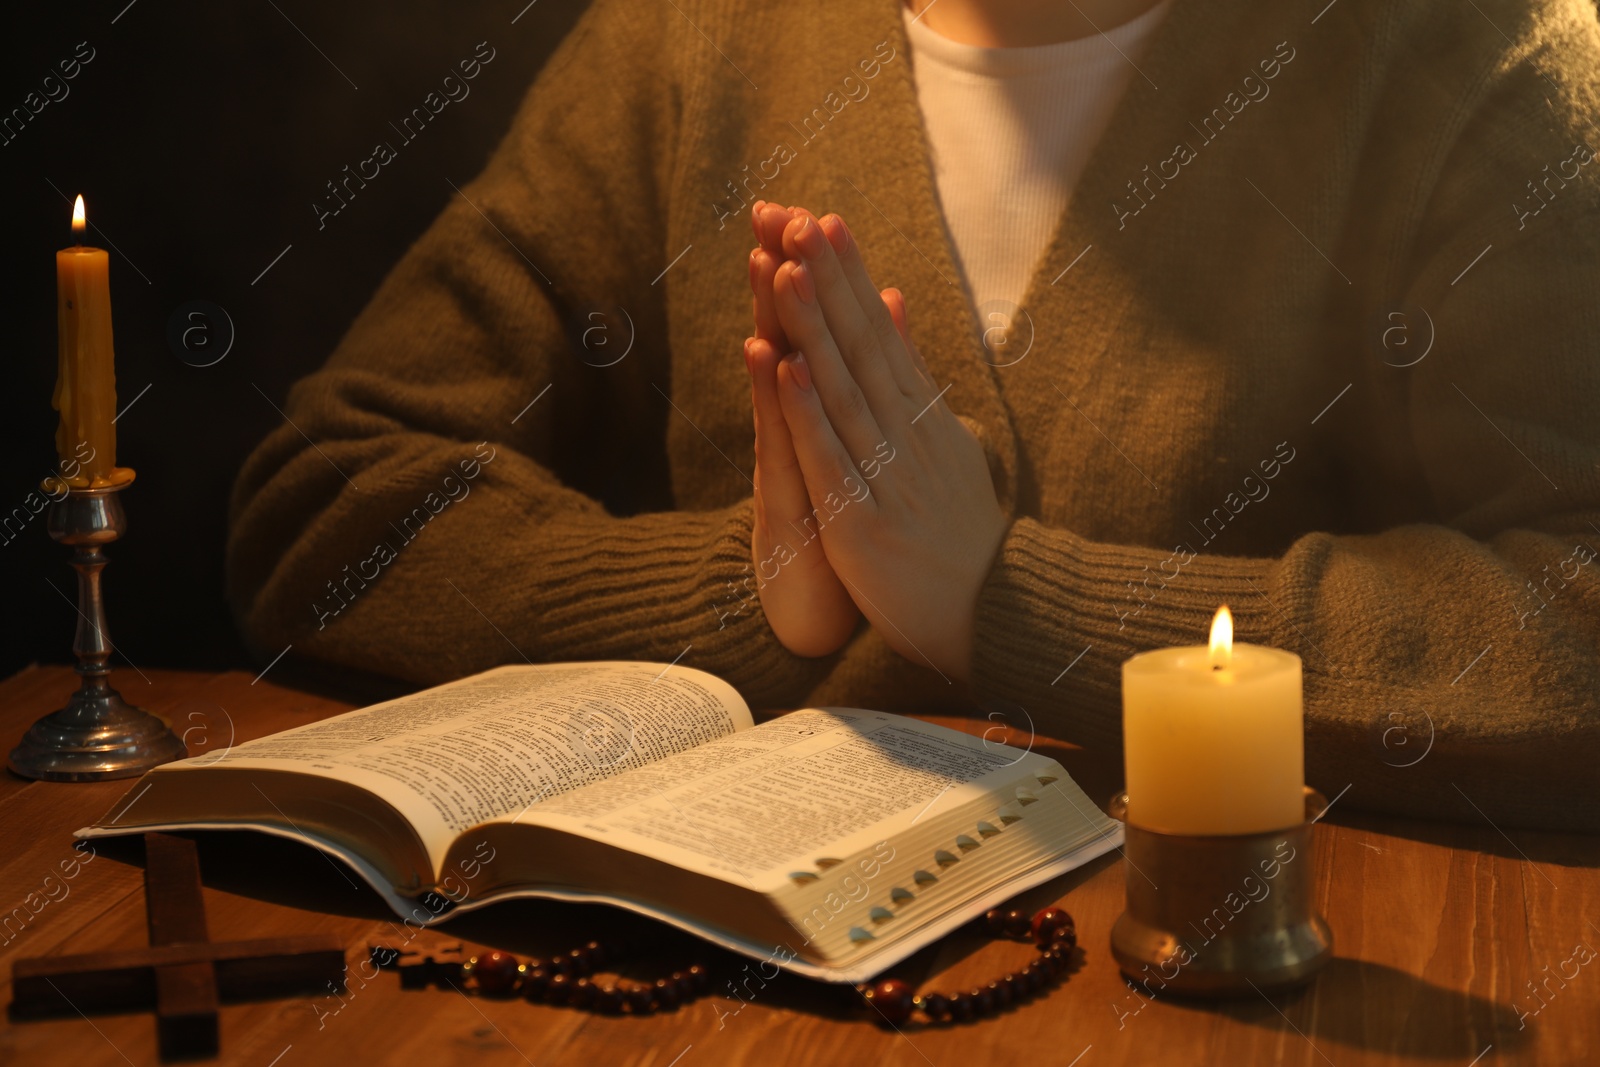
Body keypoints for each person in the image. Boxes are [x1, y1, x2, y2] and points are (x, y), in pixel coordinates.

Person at [229, 0, 1600, 831]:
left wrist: (1012, 604)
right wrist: (751, 600)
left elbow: (1576, 621)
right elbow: (324, 510)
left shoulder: (1471, 65)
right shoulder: (692, 40)